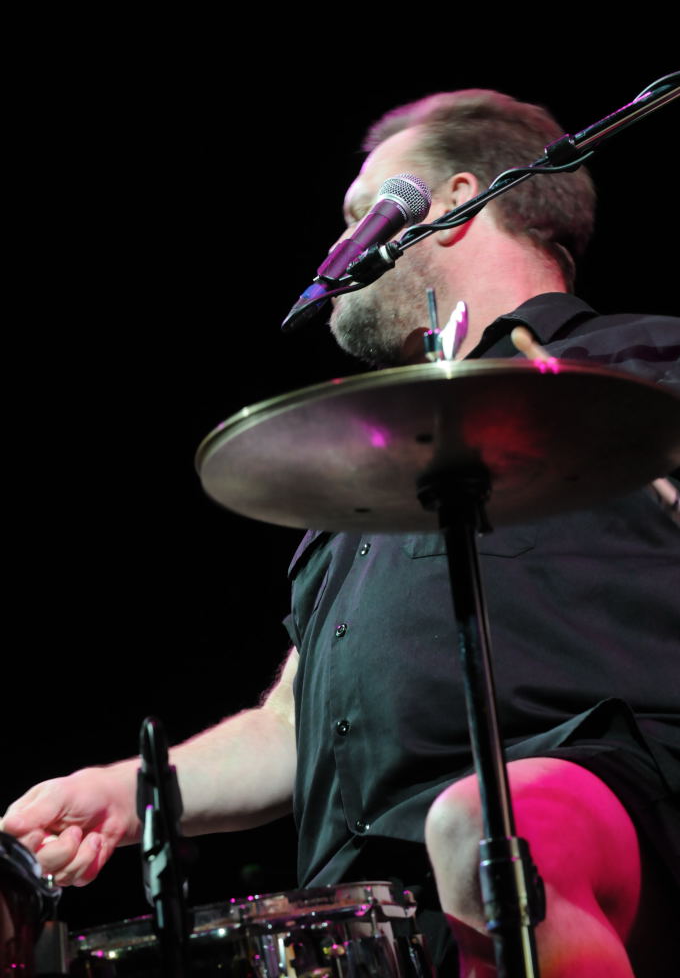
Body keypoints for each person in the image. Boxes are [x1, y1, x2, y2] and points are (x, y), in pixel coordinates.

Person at [3, 91, 679, 978]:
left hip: (614, 803)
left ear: (456, 200)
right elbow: (293, 724)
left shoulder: (643, 370)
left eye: (367, 210)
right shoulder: (363, 480)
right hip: (375, 904)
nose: (341, 244)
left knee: (485, 825)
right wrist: (127, 795)